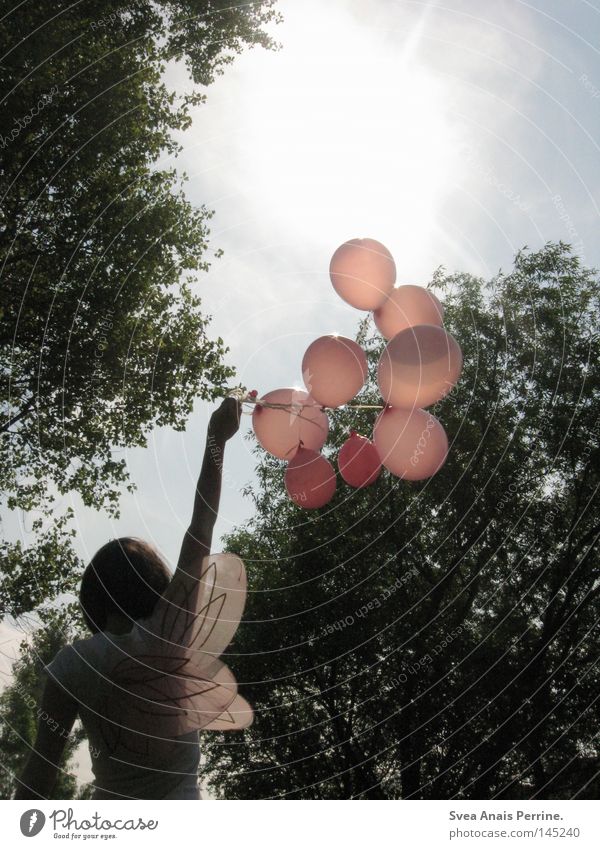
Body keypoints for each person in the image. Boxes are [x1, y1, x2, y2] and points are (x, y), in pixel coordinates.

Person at [15, 396, 252, 800]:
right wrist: (216, 439)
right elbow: (202, 524)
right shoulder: (171, 634)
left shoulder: (70, 666)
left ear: (94, 595)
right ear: (154, 584)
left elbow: (42, 768)